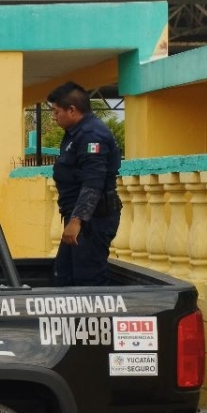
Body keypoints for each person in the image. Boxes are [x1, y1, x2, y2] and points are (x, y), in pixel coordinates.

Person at [48, 81, 122, 286]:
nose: (54, 117)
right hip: (80, 219)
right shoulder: (76, 133)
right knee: (63, 275)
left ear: (72, 110)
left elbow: (93, 183)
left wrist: (76, 221)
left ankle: (99, 318)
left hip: (92, 221)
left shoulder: (92, 136)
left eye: (56, 112)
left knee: (88, 280)